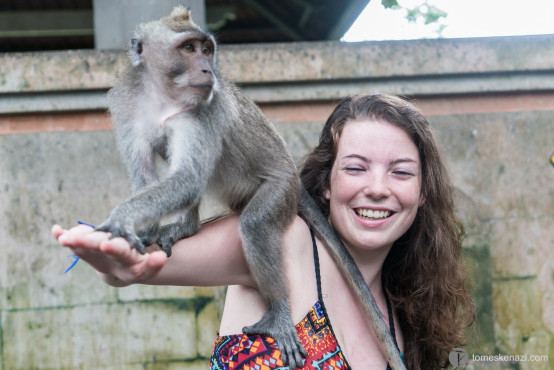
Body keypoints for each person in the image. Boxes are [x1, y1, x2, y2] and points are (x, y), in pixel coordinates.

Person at [52, 93, 475, 369]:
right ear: (327, 185)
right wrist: (115, 263)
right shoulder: (285, 237)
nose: (378, 189)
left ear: (422, 194)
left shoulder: (409, 309)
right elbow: (144, 267)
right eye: (355, 167)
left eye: (401, 172)